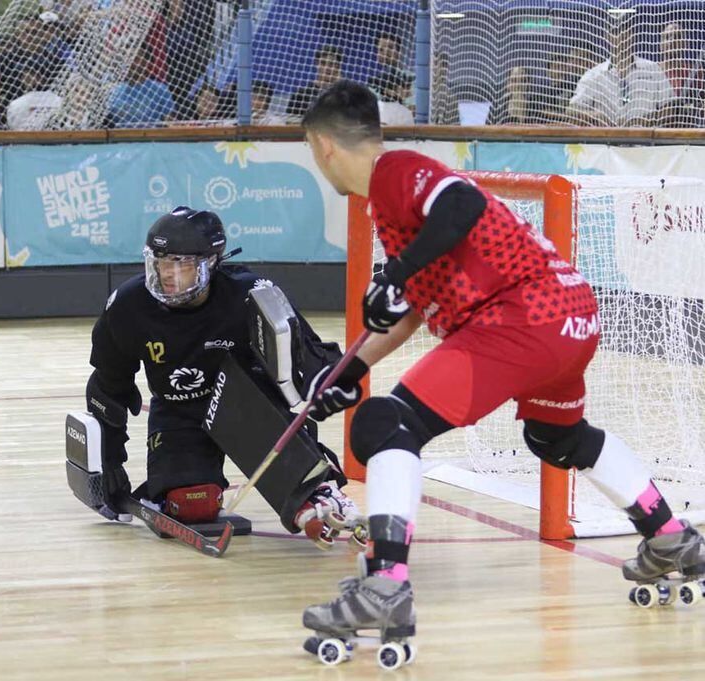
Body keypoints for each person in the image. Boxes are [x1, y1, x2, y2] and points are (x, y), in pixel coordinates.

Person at [295, 80, 705, 666]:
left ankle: (384, 586)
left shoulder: (393, 172)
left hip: (521, 317)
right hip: (570, 316)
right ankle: (670, 537)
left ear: (321, 146)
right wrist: (349, 369)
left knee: (384, 424)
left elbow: (461, 204)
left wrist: (396, 273)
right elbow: (409, 306)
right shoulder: (390, 202)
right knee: (556, 438)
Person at [81, 206, 363, 549]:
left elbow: (306, 351)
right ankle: (181, 486)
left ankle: (317, 489)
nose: (167, 274)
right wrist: (109, 462)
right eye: (160, 262)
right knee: (192, 504)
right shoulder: (128, 305)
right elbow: (108, 387)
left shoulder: (251, 293)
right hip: (178, 412)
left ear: (210, 263)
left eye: (180, 264)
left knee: (296, 473)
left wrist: (326, 381)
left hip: (245, 408)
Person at [568, 16, 673, 127]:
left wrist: (647, 120)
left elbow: (669, 106)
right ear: (607, 37)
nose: (622, 35)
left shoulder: (653, 69)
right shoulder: (594, 75)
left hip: (646, 140)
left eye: (625, 30)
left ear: (632, 34)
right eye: (616, 31)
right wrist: (594, 115)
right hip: (604, 141)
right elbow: (572, 110)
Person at [287, 44, 343, 119]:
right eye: (323, 63)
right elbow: (290, 124)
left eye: (331, 64)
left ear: (338, 66)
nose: (327, 68)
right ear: (316, 64)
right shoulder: (301, 95)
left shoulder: (346, 95)